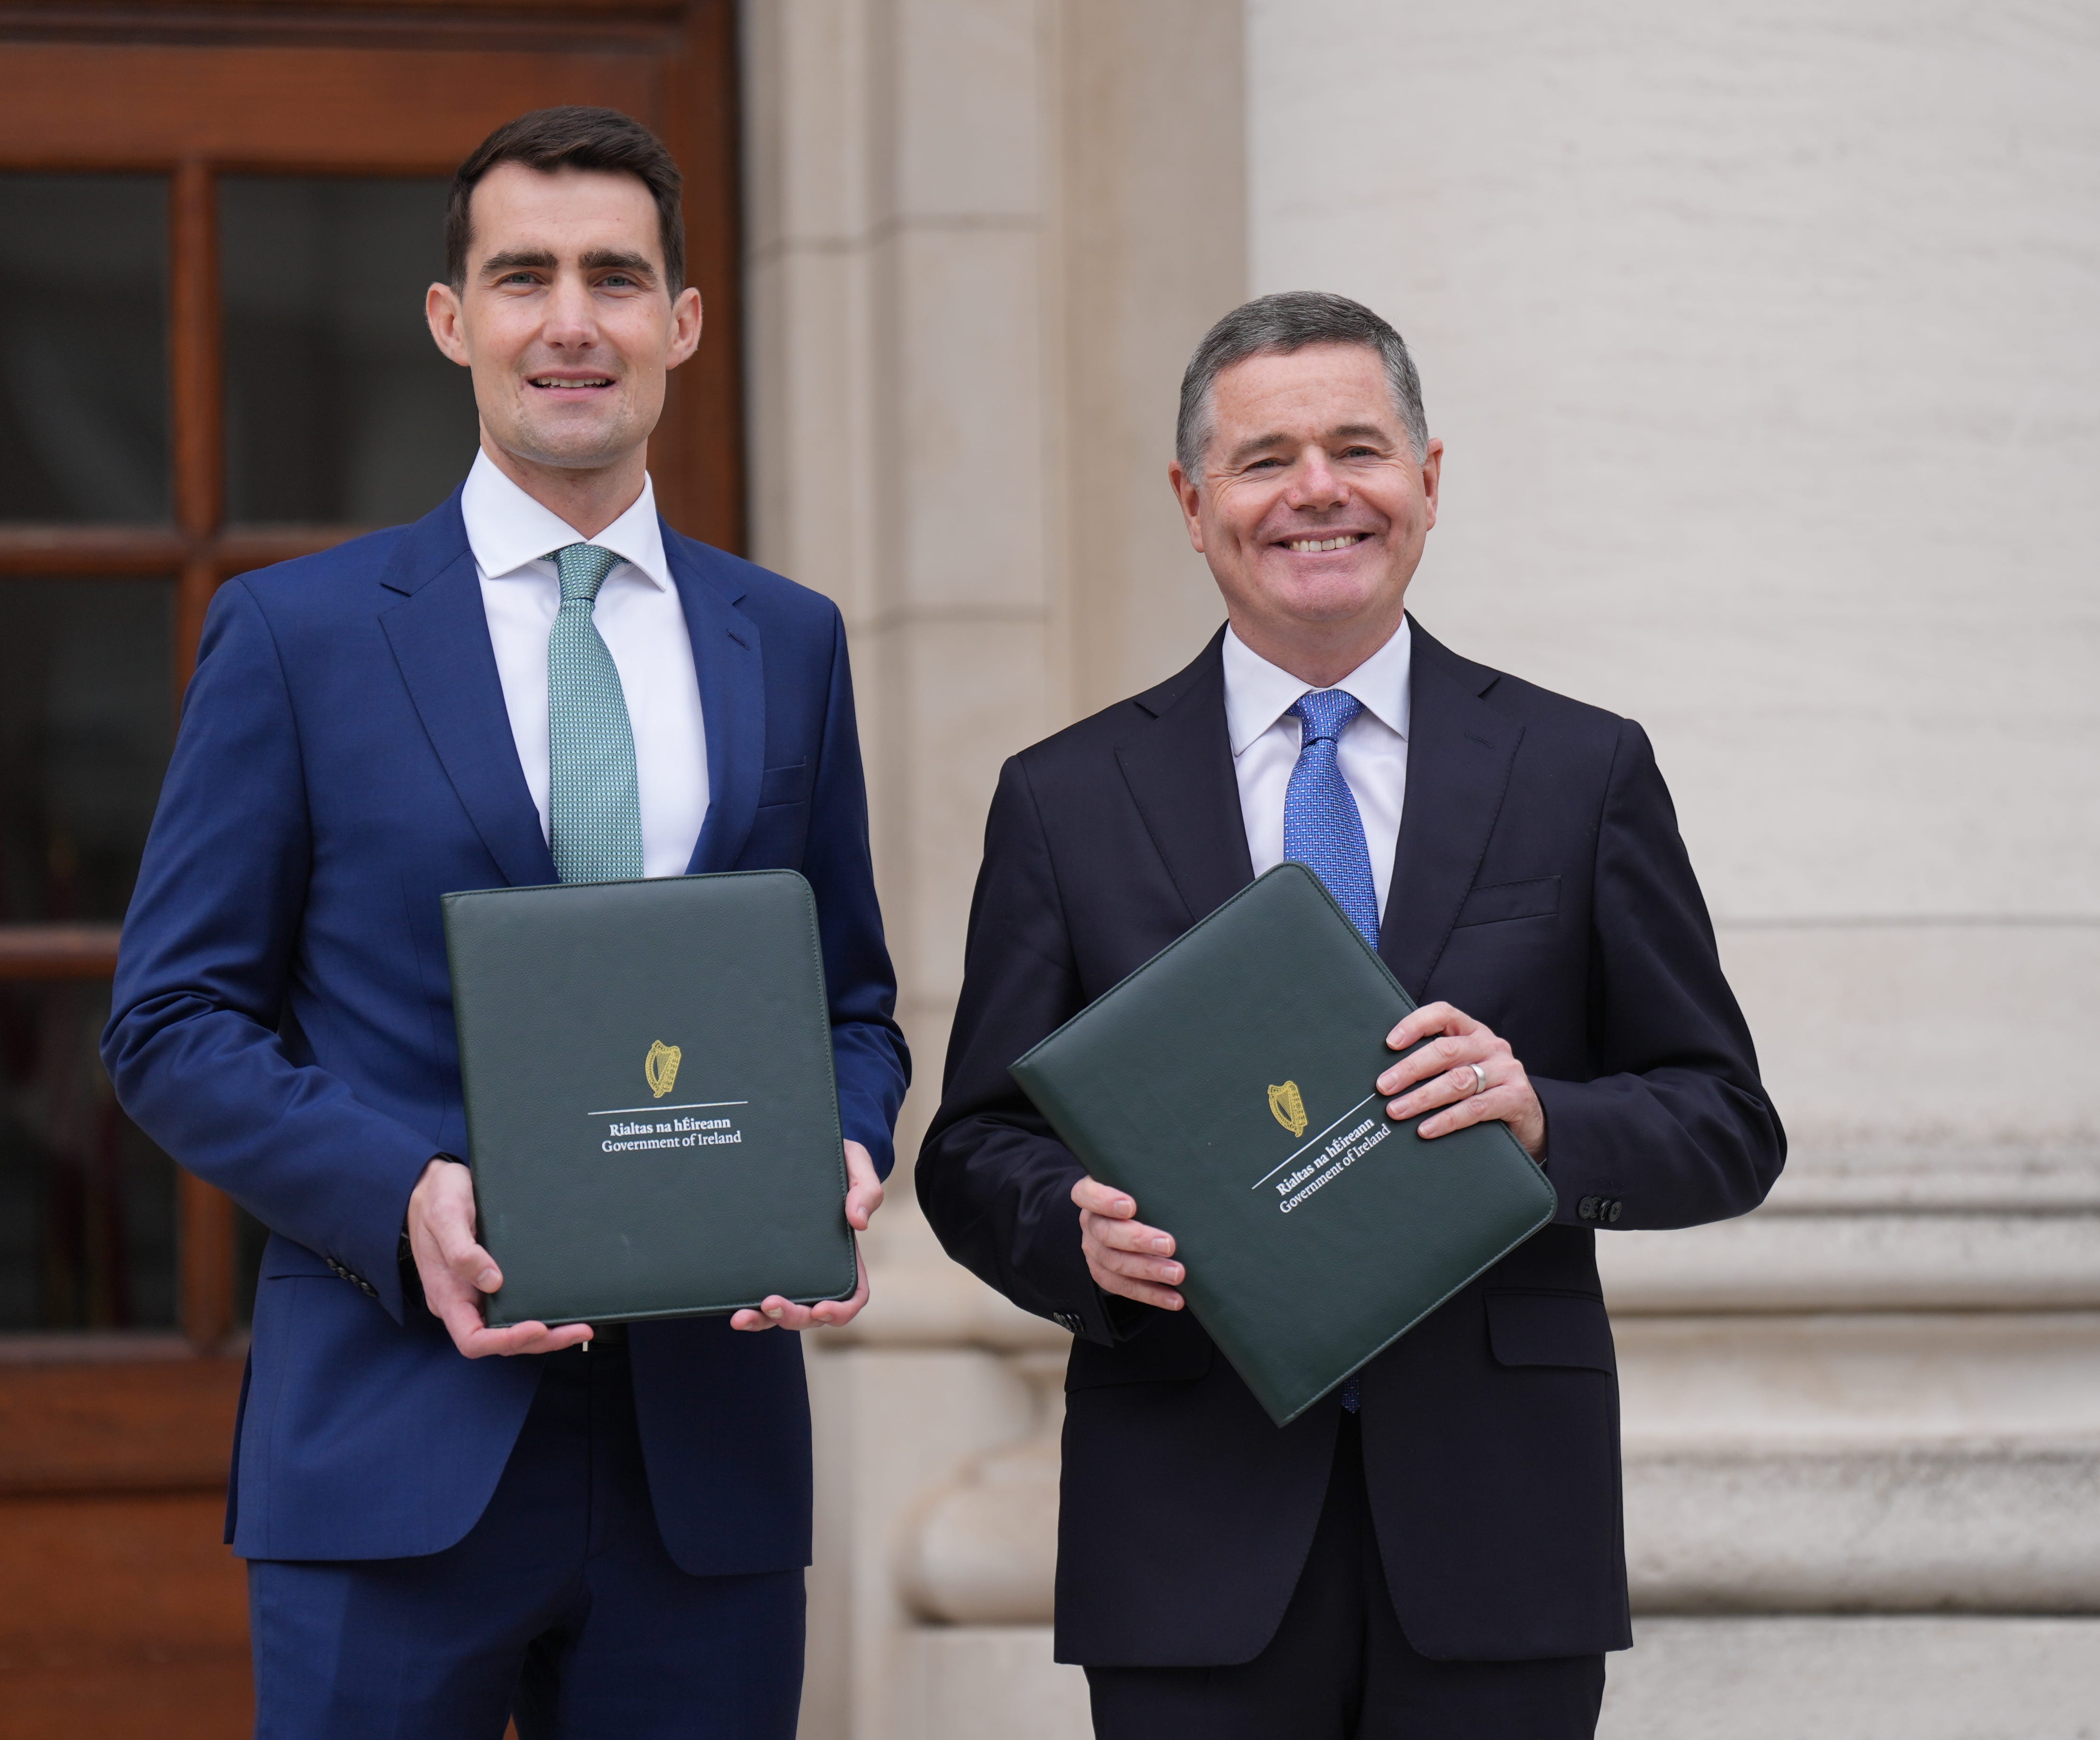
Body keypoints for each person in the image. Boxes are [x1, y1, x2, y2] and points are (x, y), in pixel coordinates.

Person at [102, 105, 905, 1738]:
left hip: (708, 1463)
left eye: (615, 278)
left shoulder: (790, 642)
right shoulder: (295, 637)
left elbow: (851, 1005)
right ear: (451, 320)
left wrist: (844, 1138)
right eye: (521, 275)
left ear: (681, 323)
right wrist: (403, 1194)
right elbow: (170, 1027)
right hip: (395, 1446)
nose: (569, 322)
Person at [915, 291, 1783, 1738]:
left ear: (1428, 483)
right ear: (1194, 507)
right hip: (1189, 1528)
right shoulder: (1064, 800)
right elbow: (971, 1148)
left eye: (1358, 448)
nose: (1317, 490)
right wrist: (1070, 1226)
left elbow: (1725, 1122)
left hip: (1502, 1530)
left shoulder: (1582, 770)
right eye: (1265, 461)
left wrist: (1544, 1120)